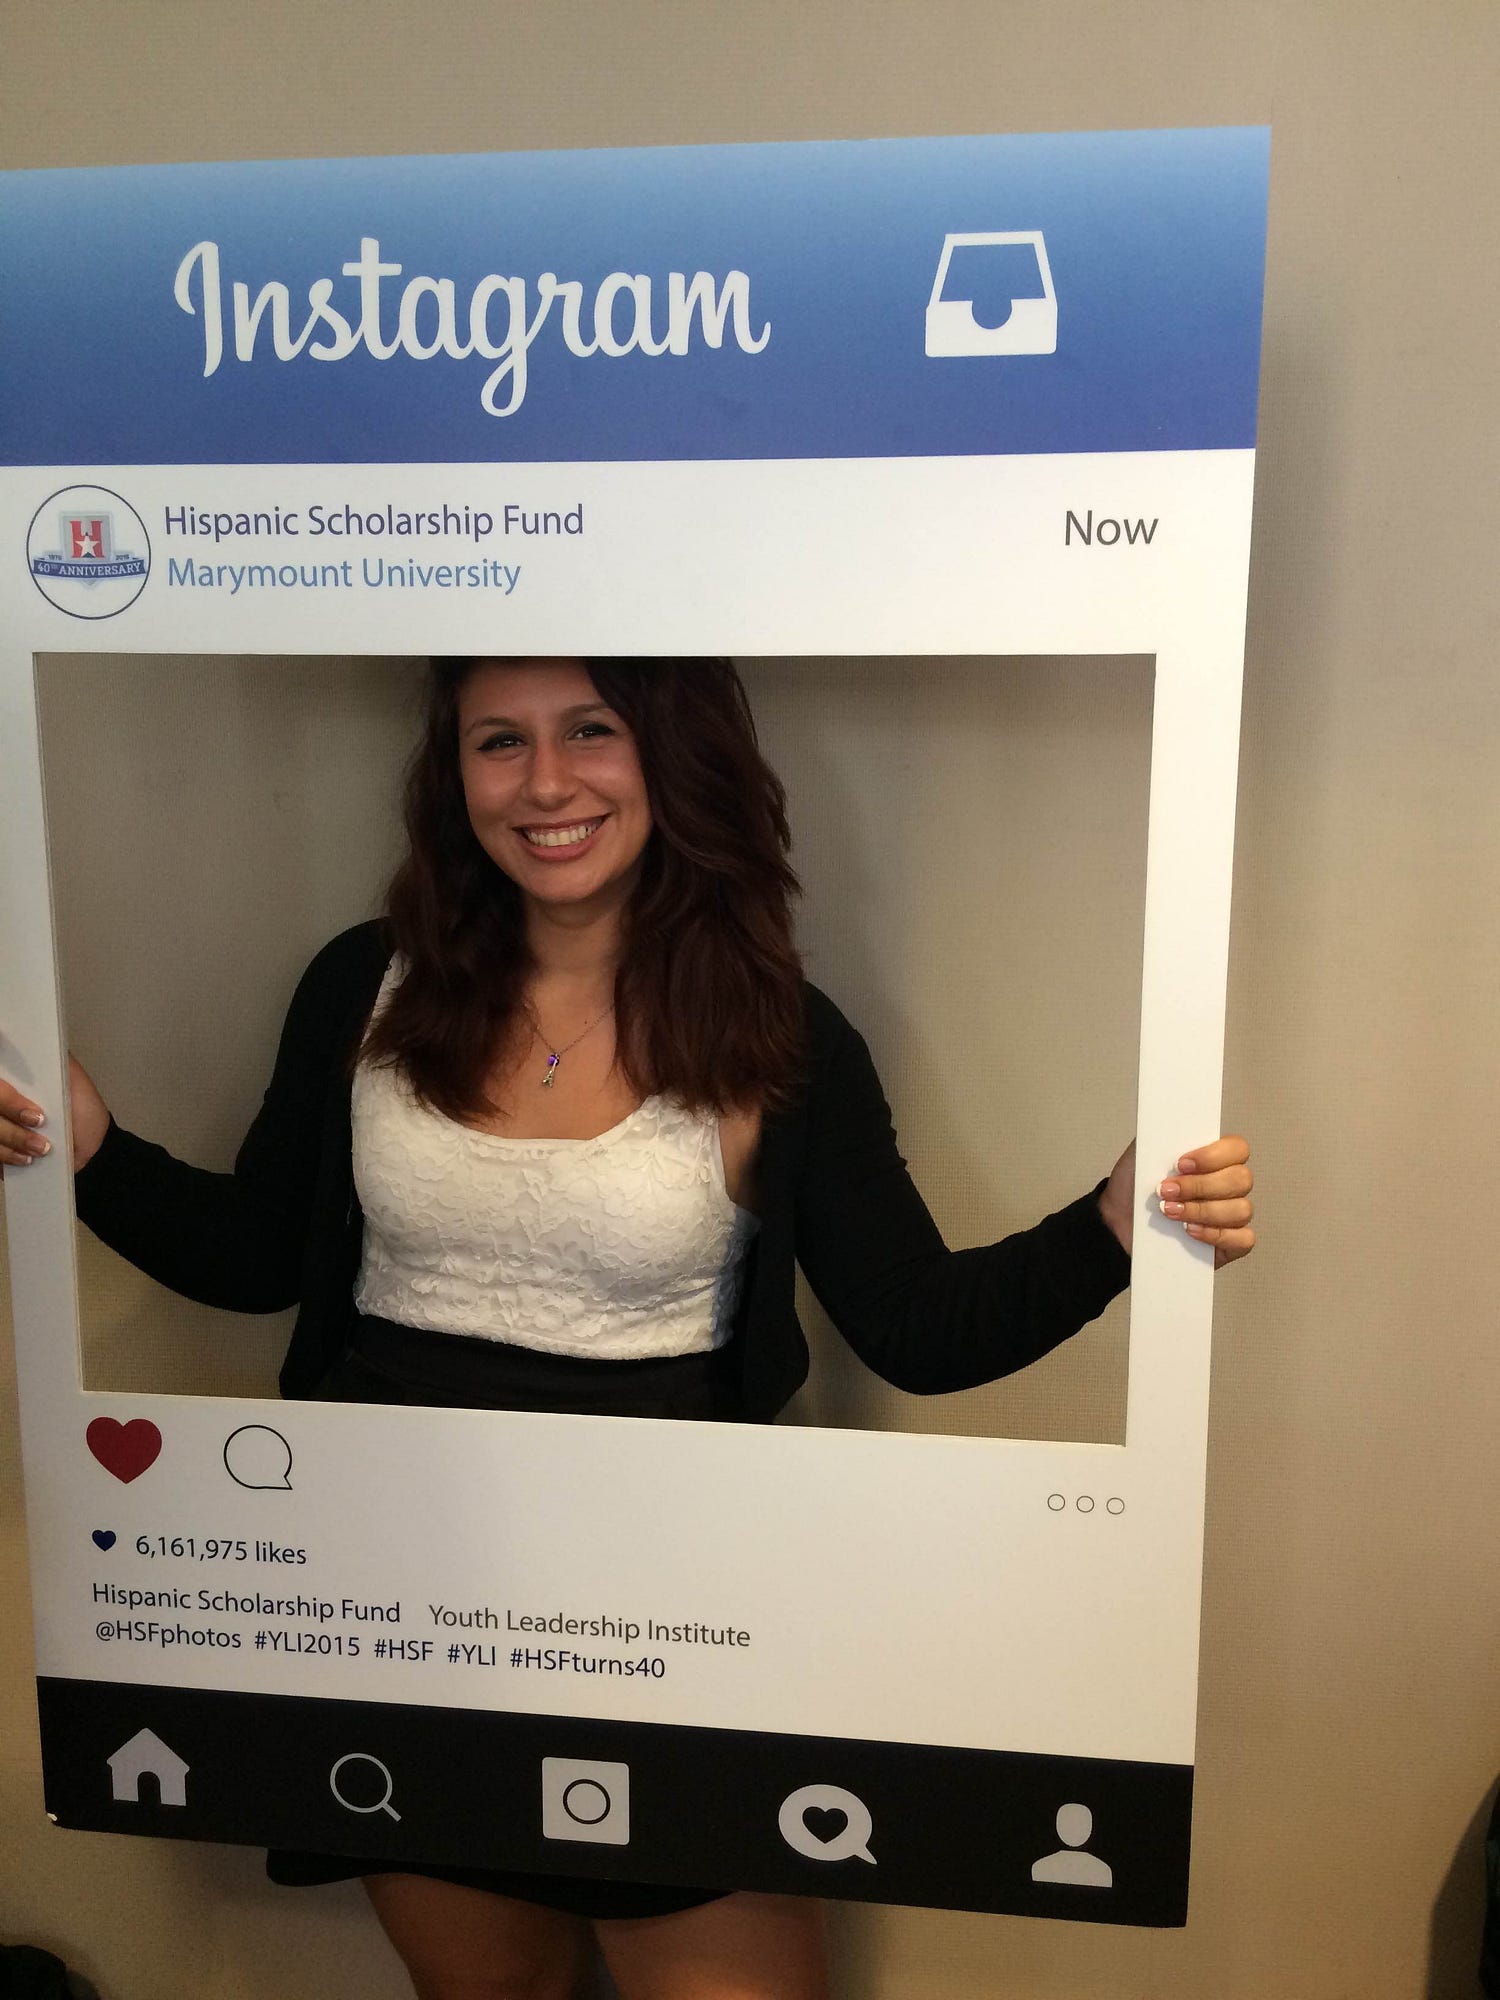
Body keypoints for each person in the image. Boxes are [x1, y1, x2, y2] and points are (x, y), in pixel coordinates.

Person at [0, 657, 1255, 2000]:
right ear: (453, 774)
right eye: (499, 740)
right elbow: (261, 1257)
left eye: (591, 730)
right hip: (399, 1595)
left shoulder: (782, 1034)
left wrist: (1117, 1226)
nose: (546, 783)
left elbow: (915, 1329)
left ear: (673, 755)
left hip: (670, 1613)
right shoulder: (363, 985)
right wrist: (96, 1152)